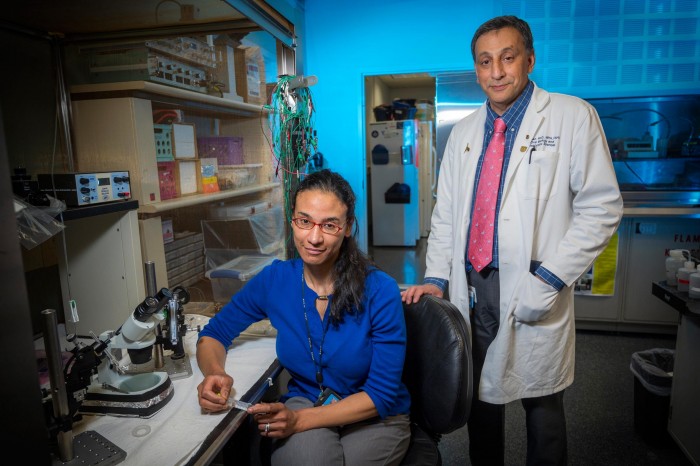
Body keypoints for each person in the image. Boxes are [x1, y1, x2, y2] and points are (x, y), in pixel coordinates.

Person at [402, 15, 623, 466]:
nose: (497, 72)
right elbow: (446, 214)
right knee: (480, 398)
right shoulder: (463, 132)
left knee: (543, 406)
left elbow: (602, 207)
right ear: (476, 69)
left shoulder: (572, 116)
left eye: (507, 58)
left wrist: (550, 278)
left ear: (529, 59)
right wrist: (437, 278)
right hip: (472, 286)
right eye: (485, 62)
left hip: (534, 283)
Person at [197, 169, 411, 465]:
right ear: (293, 220)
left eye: (329, 225)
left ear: (348, 227)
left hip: (372, 413)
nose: (314, 237)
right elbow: (214, 334)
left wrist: (298, 421)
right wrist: (214, 373)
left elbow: (381, 395)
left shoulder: (380, 290)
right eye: (304, 221)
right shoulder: (275, 281)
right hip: (307, 400)